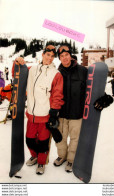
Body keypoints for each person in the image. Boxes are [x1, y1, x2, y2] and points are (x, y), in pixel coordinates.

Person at [53, 43, 113, 173]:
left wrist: (105, 98)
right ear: (59, 58)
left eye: (66, 55)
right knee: (60, 140)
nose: (65, 58)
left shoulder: (82, 71)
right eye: (61, 56)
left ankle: (71, 159)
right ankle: (62, 156)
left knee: (75, 139)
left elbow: (93, 87)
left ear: (71, 55)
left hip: (77, 114)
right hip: (61, 114)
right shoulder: (56, 73)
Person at [16, 44, 64, 175]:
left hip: (45, 116)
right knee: (29, 139)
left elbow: (57, 95)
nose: (49, 58)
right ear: (42, 55)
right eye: (47, 55)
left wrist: (54, 112)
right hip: (31, 114)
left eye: (52, 56)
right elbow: (19, 72)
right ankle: (35, 156)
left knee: (43, 142)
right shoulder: (32, 69)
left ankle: (41, 162)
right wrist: (18, 61)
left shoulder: (56, 74)